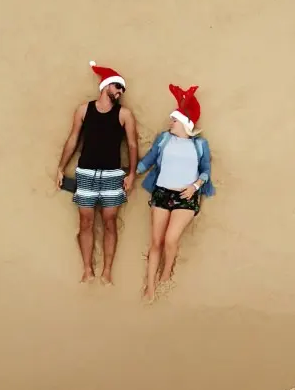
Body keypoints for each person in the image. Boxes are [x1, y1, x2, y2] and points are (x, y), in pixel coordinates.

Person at [54, 62, 140, 283]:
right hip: (86, 173)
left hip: (112, 174)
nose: (120, 92)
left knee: (110, 223)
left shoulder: (124, 114)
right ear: (106, 86)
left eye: (122, 89)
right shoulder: (84, 110)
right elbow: (73, 139)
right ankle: (87, 270)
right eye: (117, 87)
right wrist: (61, 168)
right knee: (86, 222)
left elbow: (132, 145)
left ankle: (107, 271)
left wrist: (131, 174)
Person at [134, 85, 214, 302]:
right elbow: (149, 160)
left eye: (174, 120)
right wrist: (132, 173)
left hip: (186, 196)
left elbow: (206, 170)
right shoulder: (164, 139)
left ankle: (166, 271)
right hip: (161, 193)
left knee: (171, 239)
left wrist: (195, 186)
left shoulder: (200, 144)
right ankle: (150, 287)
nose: (170, 122)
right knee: (156, 241)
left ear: (185, 124)